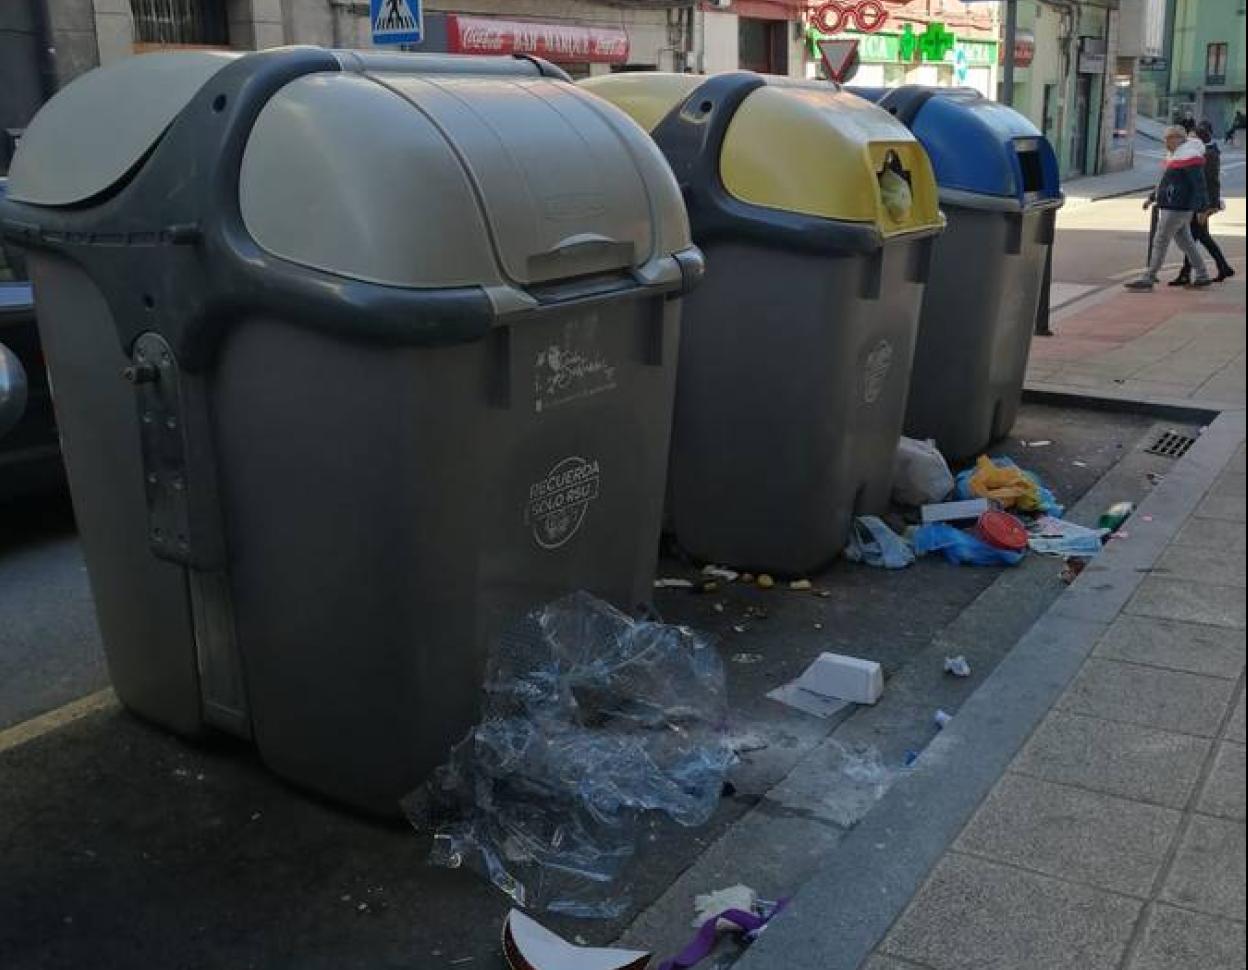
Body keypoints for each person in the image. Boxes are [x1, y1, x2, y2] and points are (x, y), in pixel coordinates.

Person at [1125, 126, 1211, 291]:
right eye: (1165, 138)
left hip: (1177, 206)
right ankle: (1202, 274)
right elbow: (1164, 182)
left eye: (1168, 138)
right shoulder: (1176, 155)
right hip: (1175, 205)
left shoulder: (1190, 157)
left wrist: (1202, 208)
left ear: (1179, 138)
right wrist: (1152, 197)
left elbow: (1199, 184)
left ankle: (1149, 277)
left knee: (1161, 240)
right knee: (1186, 243)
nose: (1165, 142)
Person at [1170, 121, 1235, 285]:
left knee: (1192, 238)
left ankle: (1187, 273)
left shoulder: (1209, 155)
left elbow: (1211, 182)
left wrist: (1208, 208)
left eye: (1192, 138)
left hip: (1201, 205)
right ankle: (1222, 267)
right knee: (1199, 238)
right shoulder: (1202, 153)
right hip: (1197, 203)